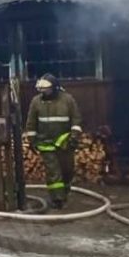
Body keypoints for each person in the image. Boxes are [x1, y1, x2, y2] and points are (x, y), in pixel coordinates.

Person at [24, 73, 82, 208]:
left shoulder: (68, 100)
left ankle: (64, 192)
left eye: (46, 89)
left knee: (67, 170)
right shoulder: (36, 101)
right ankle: (57, 199)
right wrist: (32, 139)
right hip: (45, 143)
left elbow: (76, 119)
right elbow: (31, 123)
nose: (43, 92)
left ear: (55, 88)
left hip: (64, 142)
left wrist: (74, 136)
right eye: (41, 89)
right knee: (53, 172)